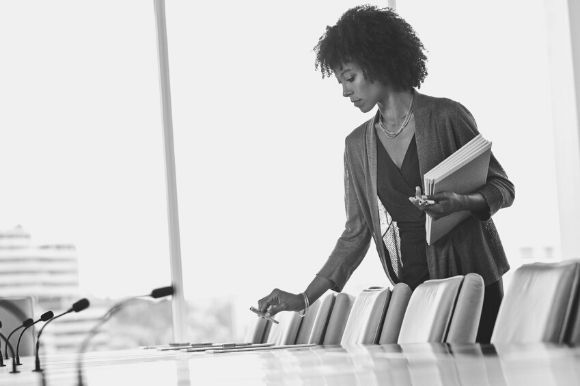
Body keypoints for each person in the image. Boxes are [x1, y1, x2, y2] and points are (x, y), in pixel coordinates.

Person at [257, 5, 514, 344]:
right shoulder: (357, 146)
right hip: (414, 293)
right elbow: (356, 233)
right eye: (341, 82)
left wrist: (461, 202)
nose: (345, 92)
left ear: (377, 62)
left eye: (350, 78)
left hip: (473, 284)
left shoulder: (447, 116)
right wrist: (305, 297)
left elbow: (502, 187)